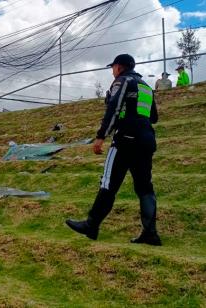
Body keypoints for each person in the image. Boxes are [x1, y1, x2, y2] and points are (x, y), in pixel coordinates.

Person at [66, 54, 161, 246]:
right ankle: (150, 233)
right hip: (146, 140)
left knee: (108, 184)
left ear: (119, 67)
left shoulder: (122, 81)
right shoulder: (146, 86)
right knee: (145, 188)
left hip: (125, 140)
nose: (112, 71)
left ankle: (91, 225)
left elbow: (113, 109)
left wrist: (101, 136)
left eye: (113, 67)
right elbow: (154, 117)